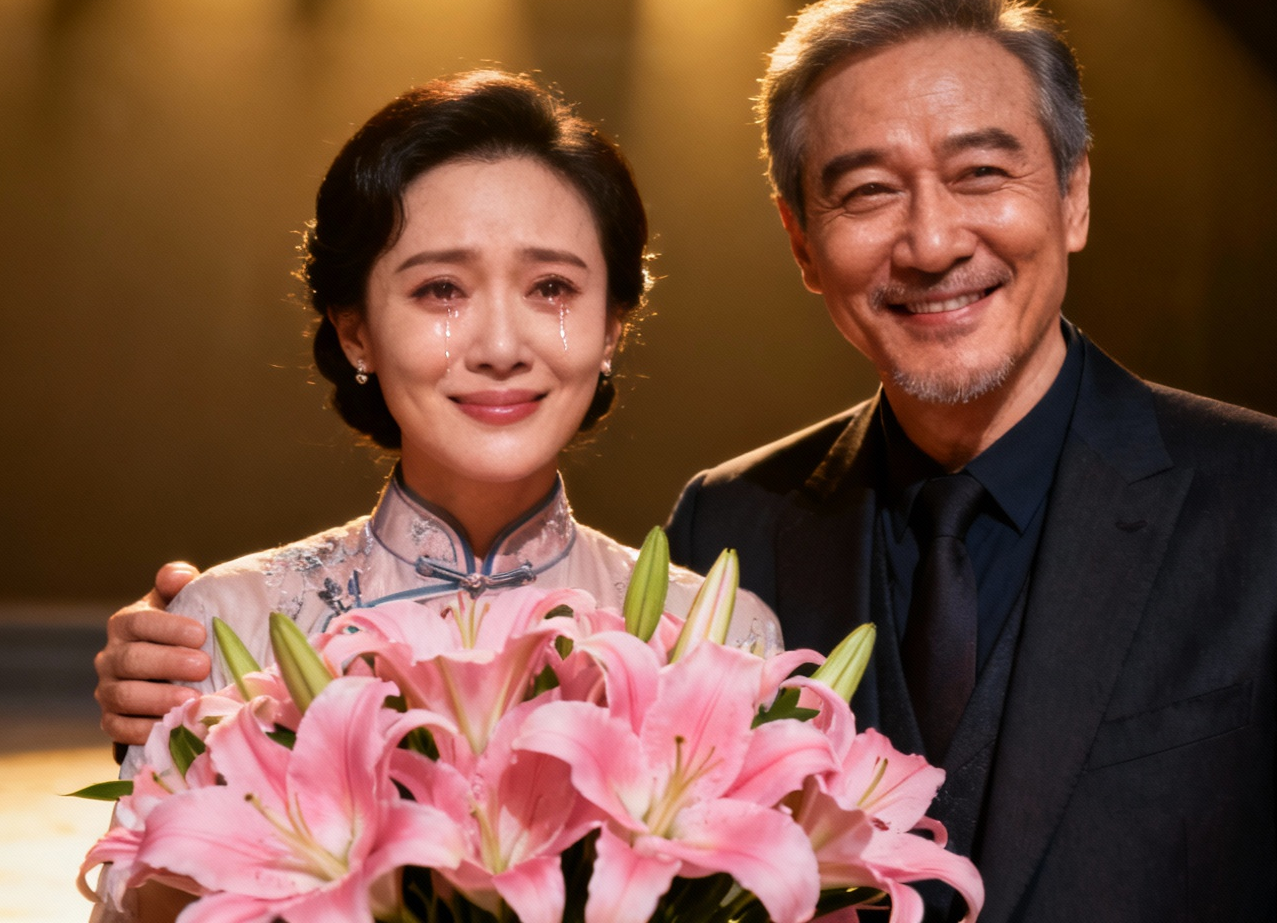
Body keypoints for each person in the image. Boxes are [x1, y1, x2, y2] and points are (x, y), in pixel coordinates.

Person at [96, 0, 1277, 922]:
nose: (930, 240)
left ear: (1072, 194)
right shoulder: (728, 542)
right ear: (803, 247)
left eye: (981, 174)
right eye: (867, 193)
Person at [91, 69, 780, 921]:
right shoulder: (231, 627)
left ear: (612, 327)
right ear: (356, 332)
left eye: (552, 289)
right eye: (440, 290)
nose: (500, 345)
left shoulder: (719, 640)